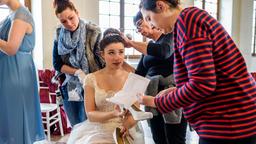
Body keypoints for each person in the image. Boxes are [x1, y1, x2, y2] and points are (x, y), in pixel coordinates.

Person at [138, 0, 256, 144]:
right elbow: (208, 75)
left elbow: (203, 84)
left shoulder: (188, 21)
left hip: (229, 123)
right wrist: (177, 90)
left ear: (161, 6)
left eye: (149, 18)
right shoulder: (188, 20)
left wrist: (156, 102)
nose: (150, 25)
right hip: (230, 120)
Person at [67, 28, 144, 144]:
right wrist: (113, 114)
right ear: (102, 54)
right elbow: (91, 114)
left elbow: (135, 112)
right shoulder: (91, 79)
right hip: (98, 129)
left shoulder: (133, 78)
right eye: (111, 52)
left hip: (125, 128)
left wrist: (125, 126)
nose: (117, 57)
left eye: (121, 52)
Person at [123, 11, 187, 144]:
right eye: (136, 27)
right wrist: (120, 62)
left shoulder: (169, 36)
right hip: (151, 96)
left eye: (140, 23)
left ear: (150, 19)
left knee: (175, 138)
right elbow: (139, 74)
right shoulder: (146, 49)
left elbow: (163, 52)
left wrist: (131, 43)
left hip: (172, 93)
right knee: (158, 137)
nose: (139, 29)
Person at [52, 0, 105, 127]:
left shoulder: (93, 31)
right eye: (63, 21)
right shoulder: (59, 33)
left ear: (77, 13)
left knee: (90, 127)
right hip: (70, 85)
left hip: (92, 85)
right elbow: (57, 64)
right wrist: (77, 72)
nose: (69, 24)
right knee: (76, 127)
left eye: (71, 18)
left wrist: (90, 79)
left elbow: (102, 61)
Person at [0, 0, 45, 143]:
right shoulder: (12, 15)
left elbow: (11, 48)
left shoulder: (21, 15)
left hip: (16, 72)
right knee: (8, 117)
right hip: (8, 70)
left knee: (15, 118)